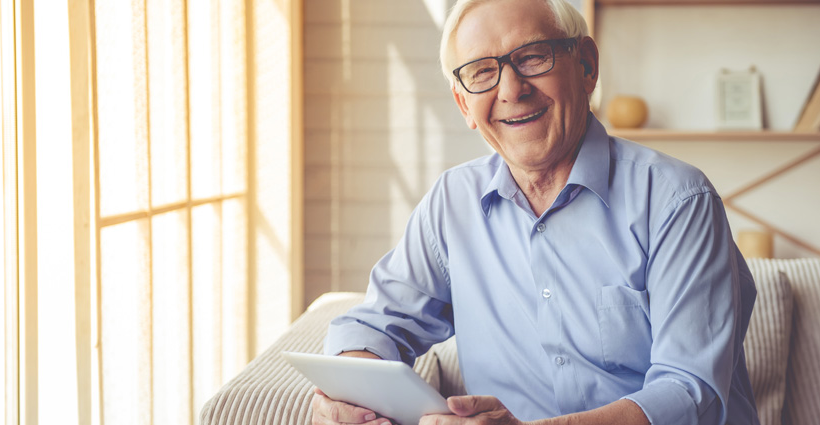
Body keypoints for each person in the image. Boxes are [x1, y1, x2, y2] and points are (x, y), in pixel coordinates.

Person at [311, 0, 760, 423]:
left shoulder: (678, 200)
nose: (511, 90)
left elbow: (689, 392)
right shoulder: (452, 203)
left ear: (586, 66)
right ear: (464, 104)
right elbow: (375, 324)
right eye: (482, 72)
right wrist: (350, 392)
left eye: (533, 57)